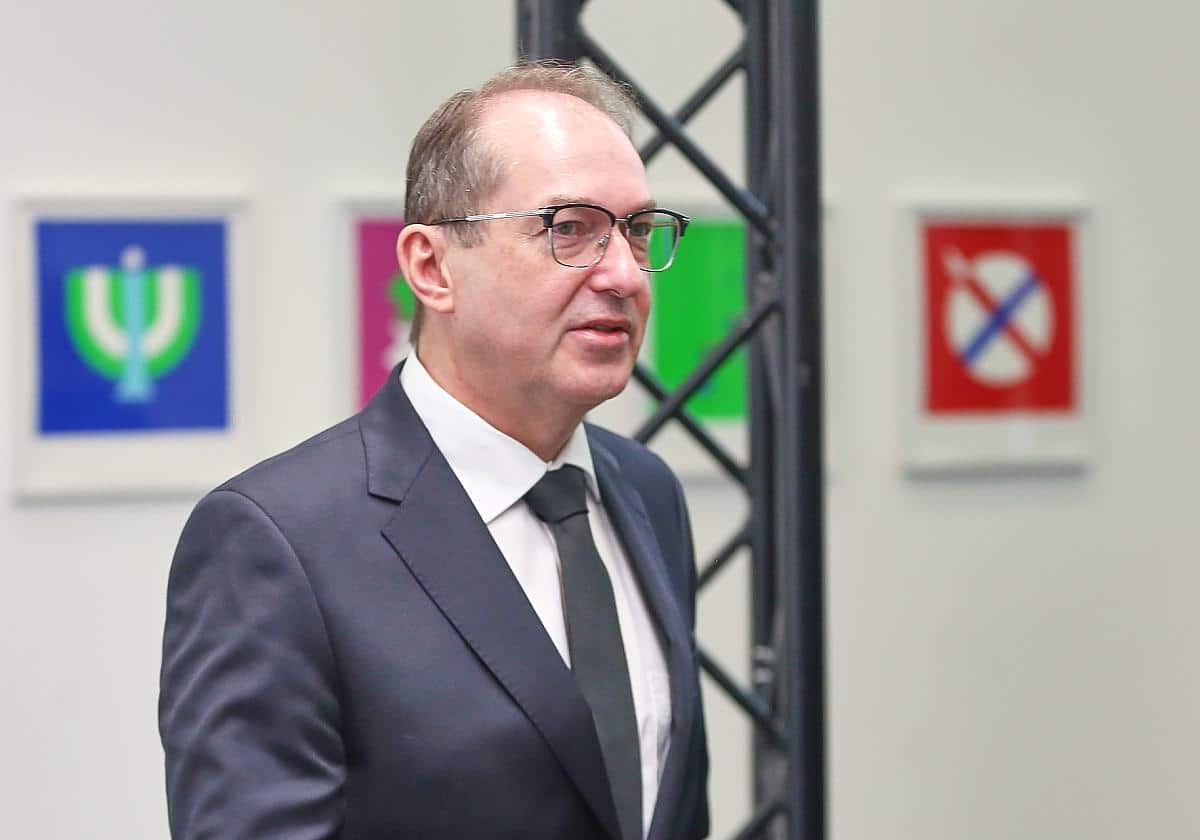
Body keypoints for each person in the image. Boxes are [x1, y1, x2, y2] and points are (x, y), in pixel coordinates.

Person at [159, 62, 709, 840]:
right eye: (570, 229)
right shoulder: (279, 542)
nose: (624, 274)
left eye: (639, 230)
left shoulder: (647, 494)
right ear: (431, 266)